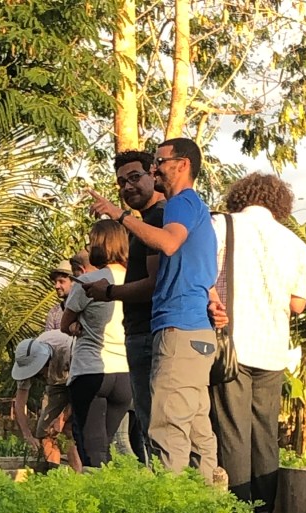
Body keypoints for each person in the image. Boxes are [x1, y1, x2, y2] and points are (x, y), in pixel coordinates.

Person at [88, 138, 218, 481]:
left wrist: (118, 216)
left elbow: (168, 244)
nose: (154, 168)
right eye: (122, 182)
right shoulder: (192, 209)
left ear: (183, 164)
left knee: (165, 426)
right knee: (194, 426)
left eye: (158, 162)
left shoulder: (176, 206)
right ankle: (209, 507)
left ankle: (168, 508)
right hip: (192, 329)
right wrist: (213, 302)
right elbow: (203, 273)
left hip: (176, 327)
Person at [208, 173, 306, 513]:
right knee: (265, 430)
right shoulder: (296, 245)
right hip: (273, 347)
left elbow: (201, 272)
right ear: (279, 203)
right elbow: (298, 304)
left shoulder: (221, 225)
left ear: (239, 196)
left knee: (233, 429)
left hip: (231, 344)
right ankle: (265, 511)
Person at [82, 150, 166, 457]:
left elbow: (155, 284)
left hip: (149, 334)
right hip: (137, 335)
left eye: (134, 177)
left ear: (154, 176)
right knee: (145, 427)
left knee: (155, 427)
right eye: (121, 182)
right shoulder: (143, 226)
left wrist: (109, 293)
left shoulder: (157, 221)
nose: (127, 187)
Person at [60, 219, 132, 467]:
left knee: (93, 451)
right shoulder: (137, 280)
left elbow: (64, 325)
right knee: (106, 447)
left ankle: (97, 501)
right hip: (125, 373)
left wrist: (76, 326)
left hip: (90, 370)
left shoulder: (87, 282)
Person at [12, 330, 82, 472]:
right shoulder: (26, 358)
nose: (39, 375)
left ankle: (79, 474)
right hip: (56, 385)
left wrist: (61, 419)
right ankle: (52, 475)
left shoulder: (67, 348)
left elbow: (80, 392)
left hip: (79, 380)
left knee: (68, 429)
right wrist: (27, 435)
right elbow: (19, 402)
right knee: (44, 431)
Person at [44, 260, 75, 331]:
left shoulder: (86, 308)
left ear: (74, 282)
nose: (56, 286)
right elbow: (47, 339)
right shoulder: (54, 312)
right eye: (55, 282)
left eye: (61, 281)